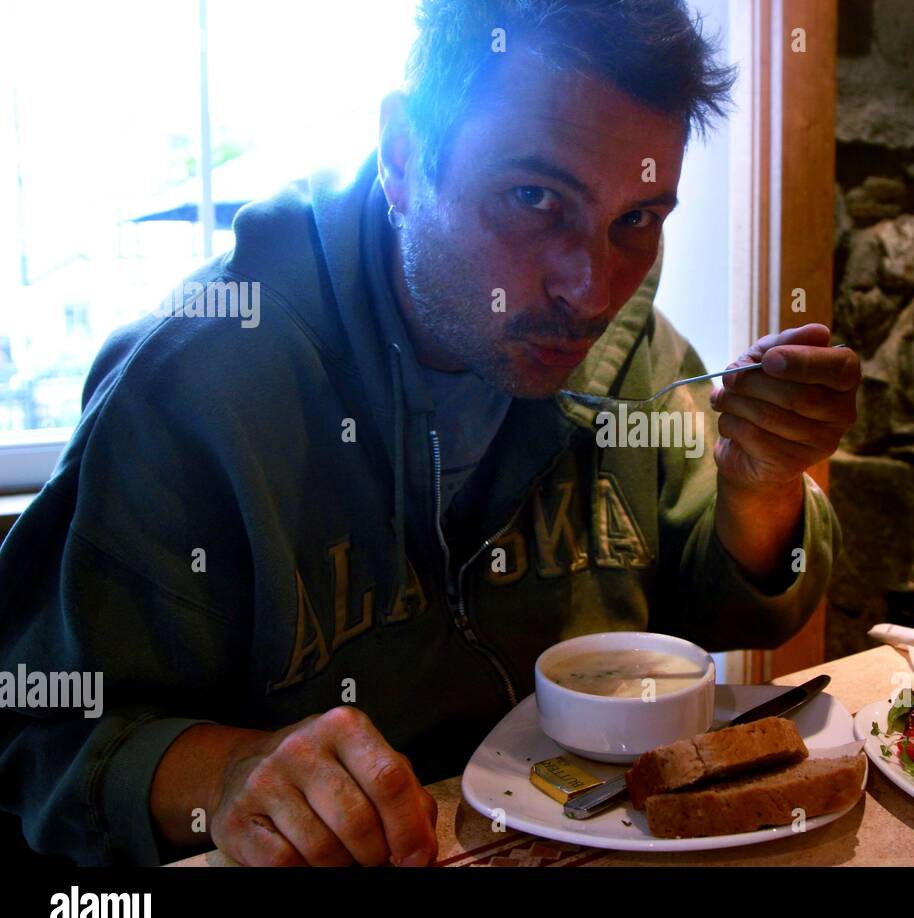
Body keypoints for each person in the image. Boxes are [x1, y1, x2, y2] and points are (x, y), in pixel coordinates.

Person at [0, 0, 858, 866]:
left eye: (636, 219)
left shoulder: (636, 353)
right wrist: (228, 773)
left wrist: (762, 480)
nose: (593, 291)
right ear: (406, 156)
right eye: (534, 197)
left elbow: (717, 608)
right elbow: (40, 740)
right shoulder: (198, 384)